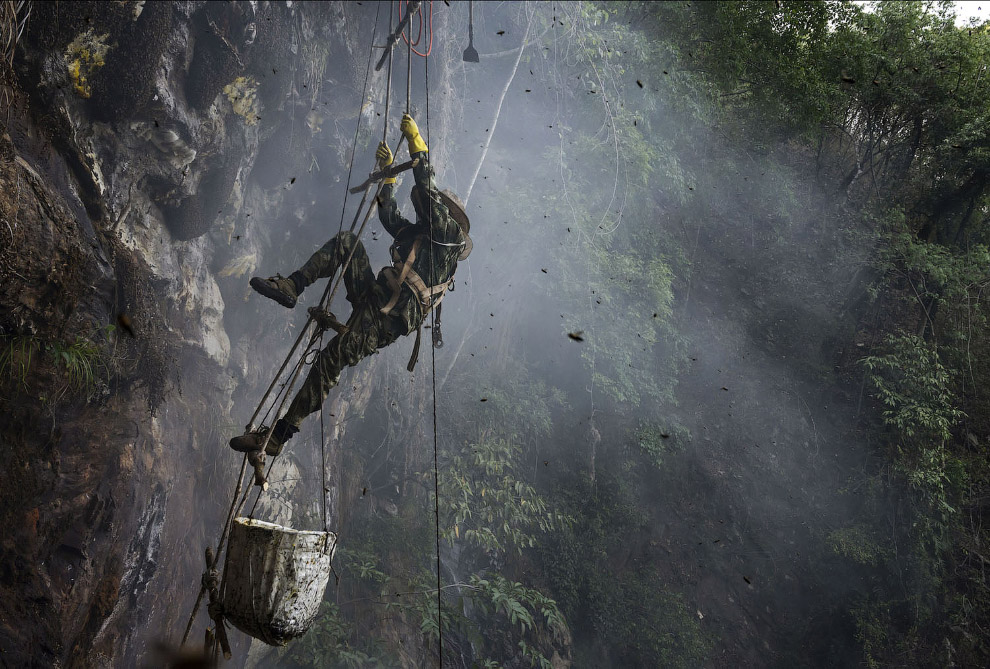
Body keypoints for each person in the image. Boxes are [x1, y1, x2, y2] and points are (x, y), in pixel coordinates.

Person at [230, 113, 471, 457]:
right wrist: (388, 180)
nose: (430, 213)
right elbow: (389, 218)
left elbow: (431, 198)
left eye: (438, 211)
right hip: (374, 297)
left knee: (334, 357)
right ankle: (292, 287)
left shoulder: (448, 241)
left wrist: (419, 148)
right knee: (347, 243)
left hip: (386, 321)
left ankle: (277, 437)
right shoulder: (421, 235)